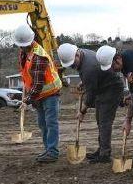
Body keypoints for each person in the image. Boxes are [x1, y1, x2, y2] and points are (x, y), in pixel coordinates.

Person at [58, 43, 124, 164]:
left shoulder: (89, 68)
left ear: (77, 54)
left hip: (111, 89)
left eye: (73, 64)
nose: (73, 67)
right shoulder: (83, 53)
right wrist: (84, 82)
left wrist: (82, 111)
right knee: (100, 120)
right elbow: (93, 77)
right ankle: (102, 149)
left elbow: (91, 94)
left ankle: (105, 154)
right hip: (103, 86)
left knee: (104, 122)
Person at [14, 24, 63, 163]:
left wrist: (27, 101)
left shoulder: (39, 57)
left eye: (23, 45)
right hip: (38, 95)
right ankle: (48, 149)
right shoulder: (24, 52)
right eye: (21, 45)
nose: (22, 47)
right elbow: (26, 74)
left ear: (31, 41)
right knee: (42, 123)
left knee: (51, 123)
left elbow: (38, 84)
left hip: (50, 93)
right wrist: (27, 92)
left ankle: (52, 152)